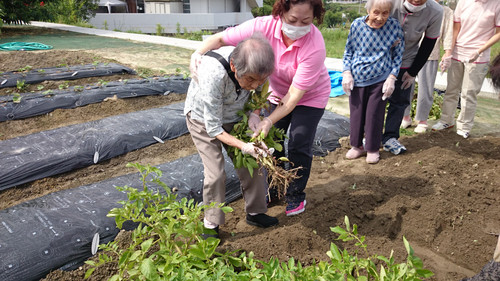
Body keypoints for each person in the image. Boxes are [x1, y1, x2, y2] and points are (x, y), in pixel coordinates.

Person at [190, 0, 331, 217]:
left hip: (309, 96)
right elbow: (220, 39)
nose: (298, 26)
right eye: (293, 20)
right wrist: (197, 53)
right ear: (281, 13)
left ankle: (294, 195)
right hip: (274, 91)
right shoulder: (262, 27)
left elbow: (293, 97)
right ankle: (275, 189)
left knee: (299, 142)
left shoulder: (315, 45)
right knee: (273, 141)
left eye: (306, 21)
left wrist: (265, 119)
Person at [184, 35, 279, 239]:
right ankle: (211, 224)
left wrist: (254, 115)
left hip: (236, 115)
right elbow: (214, 129)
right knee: (216, 173)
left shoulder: (260, 72)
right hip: (203, 120)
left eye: (260, 80)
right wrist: (244, 146)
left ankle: (255, 212)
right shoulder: (213, 74)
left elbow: (263, 93)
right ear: (234, 66)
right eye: (250, 80)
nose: (255, 85)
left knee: (255, 161)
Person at [342, 0, 404, 164]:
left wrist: (392, 77)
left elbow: (398, 55)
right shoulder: (357, 25)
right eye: (376, 12)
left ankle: (372, 148)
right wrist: (346, 72)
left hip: (380, 78)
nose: (380, 17)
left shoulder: (394, 26)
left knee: (374, 114)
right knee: (356, 114)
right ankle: (356, 146)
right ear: (368, 10)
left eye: (385, 13)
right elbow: (349, 50)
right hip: (357, 77)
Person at [381, 0, 443, 155]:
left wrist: (413, 71)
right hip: (380, 58)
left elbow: (428, 43)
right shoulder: (389, 2)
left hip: (406, 59)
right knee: (376, 100)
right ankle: (370, 136)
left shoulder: (435, 11)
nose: (416, 0)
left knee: (400, 100)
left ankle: (390, 137)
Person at [431, 0, 500, 138]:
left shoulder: (497, 4)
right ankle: (446, 120)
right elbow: (456, 28)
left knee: (469, 93)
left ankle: (464, 126)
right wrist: (449, 52)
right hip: (458, 53)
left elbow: (498, 33)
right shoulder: (464, 1)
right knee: (451, 89)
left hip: (478, 57)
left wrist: (479, 51)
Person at [400, 0, 453, 134]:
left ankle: (422, 119)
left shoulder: (444, 11)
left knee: (426, 88)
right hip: (409, 52)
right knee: (405, 85)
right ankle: (405, 116)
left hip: (430, 54)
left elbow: (448, 34)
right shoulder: (412, 6)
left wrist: (447, 53)